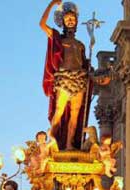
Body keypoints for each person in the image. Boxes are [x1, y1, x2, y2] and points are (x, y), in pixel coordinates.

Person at [40, 0, 91, 150]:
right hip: (64, 78)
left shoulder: (80, 44)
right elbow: (42, 25)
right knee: (59, 111)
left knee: (75, 115)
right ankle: (52, 140)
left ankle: (69, 145)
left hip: (79, 80)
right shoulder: (58, 39)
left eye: (73, 18)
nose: (70, 20)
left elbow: (85, 66)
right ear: (62, 21)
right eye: (67, 18)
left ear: (76, 22)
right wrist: (51, 4)